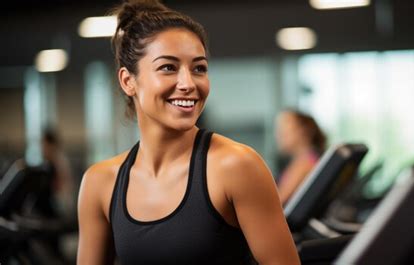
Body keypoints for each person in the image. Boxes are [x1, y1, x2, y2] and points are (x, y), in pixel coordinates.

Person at [77, 1, 300, 264]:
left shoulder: (237, 166)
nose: (188, 83)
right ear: (128, 81)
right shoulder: (99, 183)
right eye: (168, 67)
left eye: (199, 68)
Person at [275, 109, 327, 206]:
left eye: (284, 129)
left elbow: (279, 200)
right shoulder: (303, 159)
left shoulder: (306, 162)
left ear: (303, 130)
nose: (278, 135)